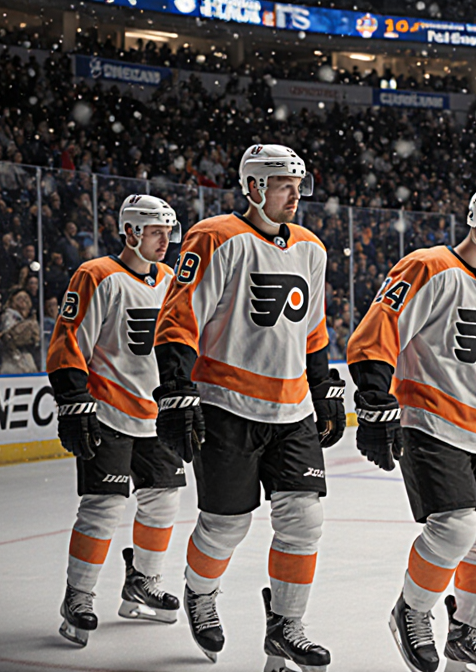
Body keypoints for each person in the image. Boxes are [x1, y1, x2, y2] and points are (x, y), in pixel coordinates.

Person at [152, 144, 345, 669]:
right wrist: (175, 387)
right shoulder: (214, 236)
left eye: (299, 184)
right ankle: (200, 591)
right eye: (285, 184)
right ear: (254, 187)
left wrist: (323, 385)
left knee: (304, 520)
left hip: (292, 411)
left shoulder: (310, 247)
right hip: (225, 408)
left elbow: (314, 329)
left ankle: (287, 626)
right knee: (225, 525)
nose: (296, 195)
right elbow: (179, 317)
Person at [347, 182, 476, 672]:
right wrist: (374, 401)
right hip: (430, 421)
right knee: (455, 528)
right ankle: (412, 611)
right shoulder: (428, 266)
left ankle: (469, 632)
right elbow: (379, 331)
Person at [45, 194, 184, 647]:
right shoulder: (96, 275)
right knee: (104, 505)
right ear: (130, 233)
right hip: (107, 412)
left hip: (157, 413)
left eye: (169, 231)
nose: (165, 240)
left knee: (163, 499)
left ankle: (143, 580)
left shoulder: (170, 279)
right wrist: (72, 400)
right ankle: (79, 595)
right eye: (155, 231)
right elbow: (68, 341)